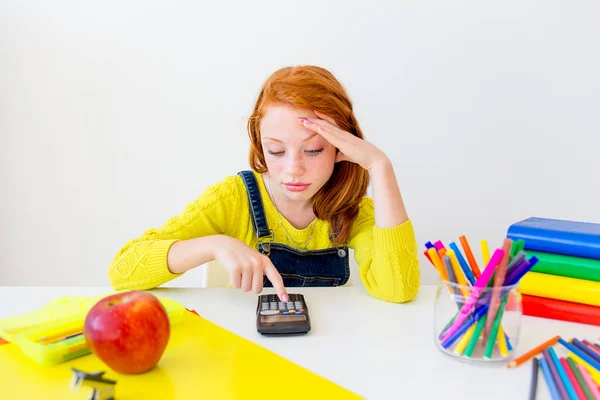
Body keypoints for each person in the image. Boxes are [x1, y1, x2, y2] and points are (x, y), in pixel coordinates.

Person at [108, 65, 420, 303]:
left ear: (342, 147)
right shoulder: (232, 199)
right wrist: (213, 245)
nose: (293, 169)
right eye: (276, 151)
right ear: (260, 146)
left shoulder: (351, 211)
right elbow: (123, 270)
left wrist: (380, 166)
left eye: (313, 150)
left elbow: (399, 289)